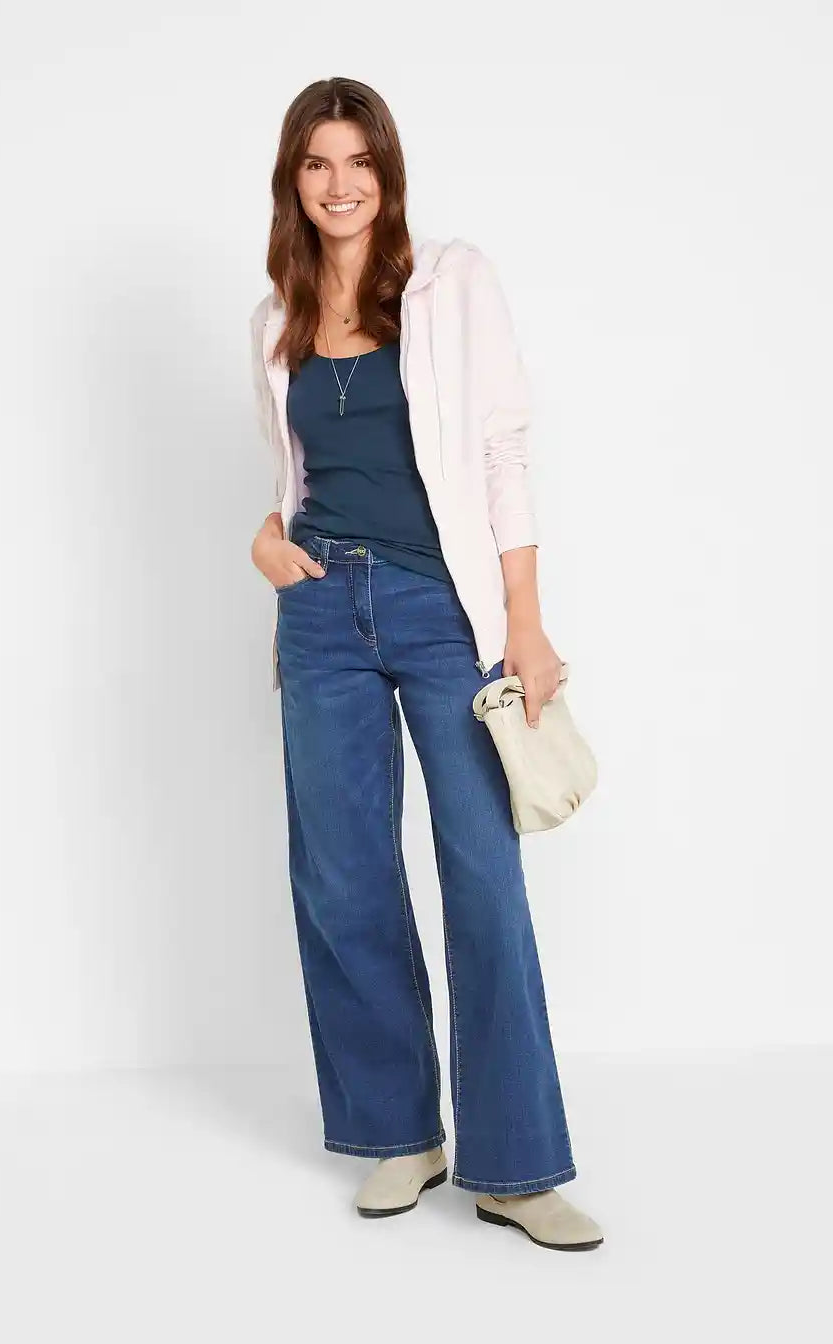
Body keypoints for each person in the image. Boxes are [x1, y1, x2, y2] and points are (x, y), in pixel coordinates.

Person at [249, 77, 603, 1252]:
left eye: (359, 160)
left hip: (437, 608)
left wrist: (525, 622)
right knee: (344, 878)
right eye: (317, 163)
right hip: (319, 614)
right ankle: (400, 1134)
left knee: (482, 875)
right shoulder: (275, 316)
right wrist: (267, 540)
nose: (340, 183)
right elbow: (297, 476)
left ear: (387, 172)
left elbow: (501, 452)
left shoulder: (451, 283)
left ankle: (515, 1165)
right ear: (294, 181)